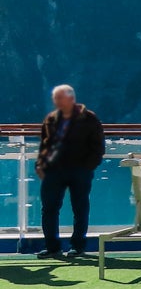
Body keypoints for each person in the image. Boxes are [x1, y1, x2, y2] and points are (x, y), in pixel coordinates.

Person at [34, 84, 105, 259]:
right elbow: (45, 144)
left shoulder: (89, 119)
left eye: (59, 98)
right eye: (55, 98)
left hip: (79, 170)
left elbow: (98, 146)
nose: (55, 101)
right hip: (53, 171)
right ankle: (52, 247)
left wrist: (88, 166)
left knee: (80, 208)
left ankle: (78, 246)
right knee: (48, 208)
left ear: (71, 99)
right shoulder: (51, 119)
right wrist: (41, 164)